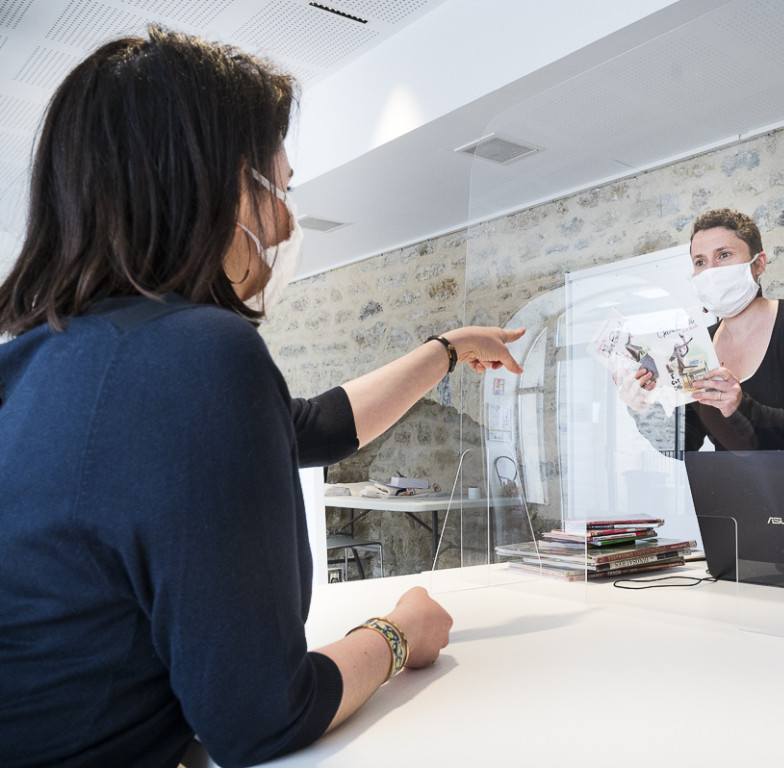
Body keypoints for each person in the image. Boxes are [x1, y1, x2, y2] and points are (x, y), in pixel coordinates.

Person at [0, 28, 524, 768]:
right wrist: (397, 632)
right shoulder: (199, 353)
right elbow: (261, 717)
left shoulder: (37, 364)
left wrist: (446, 349)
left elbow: (312, 426)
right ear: (206, 184)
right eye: (276, 186)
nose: (282, 221)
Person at [619, 208, 784, 451]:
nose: (710, 271)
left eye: (724, 255)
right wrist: (643, 409)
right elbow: (685, 444)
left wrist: (741, 408)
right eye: (700, 261)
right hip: (729, 487)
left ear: (759, 263)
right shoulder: (699, 342)